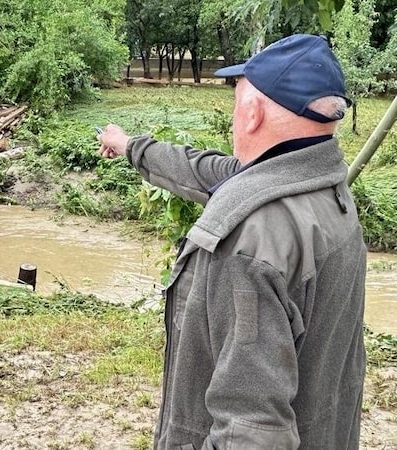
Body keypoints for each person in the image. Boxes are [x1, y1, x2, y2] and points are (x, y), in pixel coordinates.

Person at [98, 34, 366, 449]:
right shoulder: (323, 188)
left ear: (253, 113)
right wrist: (132, 146)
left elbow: (252, 433)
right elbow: (209, 172)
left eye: (236, 103)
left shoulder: (251, 239)